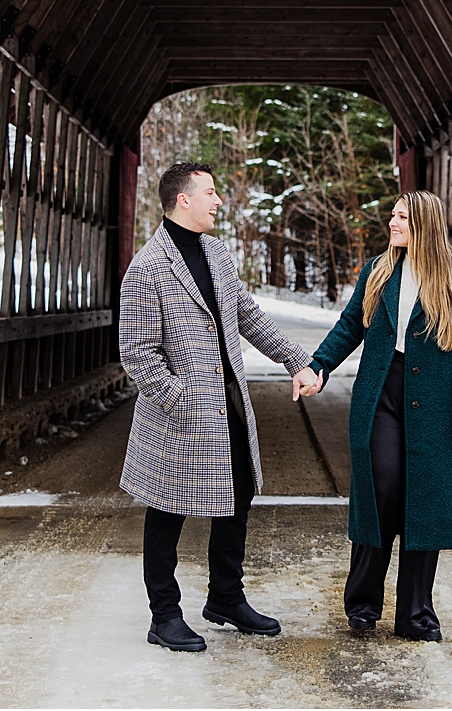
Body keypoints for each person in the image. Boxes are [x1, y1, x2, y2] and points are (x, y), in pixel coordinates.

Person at [118, 160, 319, 654]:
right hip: (176, 418)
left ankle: (226, 597)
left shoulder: (217, 252)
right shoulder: (147, 268)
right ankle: (163, 615)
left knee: (241, 492)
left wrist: (296, 359)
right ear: (183, 199)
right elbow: (136, 353)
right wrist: (180, 398)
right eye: (210, 192)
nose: (219, 201)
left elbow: (245, 314)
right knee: (166, 511)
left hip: (227, 403)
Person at [301, 190, 452, 641]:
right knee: (381, 490)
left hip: (437, 404)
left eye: (401, 216)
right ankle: (363, 604)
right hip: (381, 394)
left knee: (425, 501)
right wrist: (318, 366)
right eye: (393, 214)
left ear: (423, 222)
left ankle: (416, 614)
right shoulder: (379, 272)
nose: (392, 222)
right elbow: (349, 326)